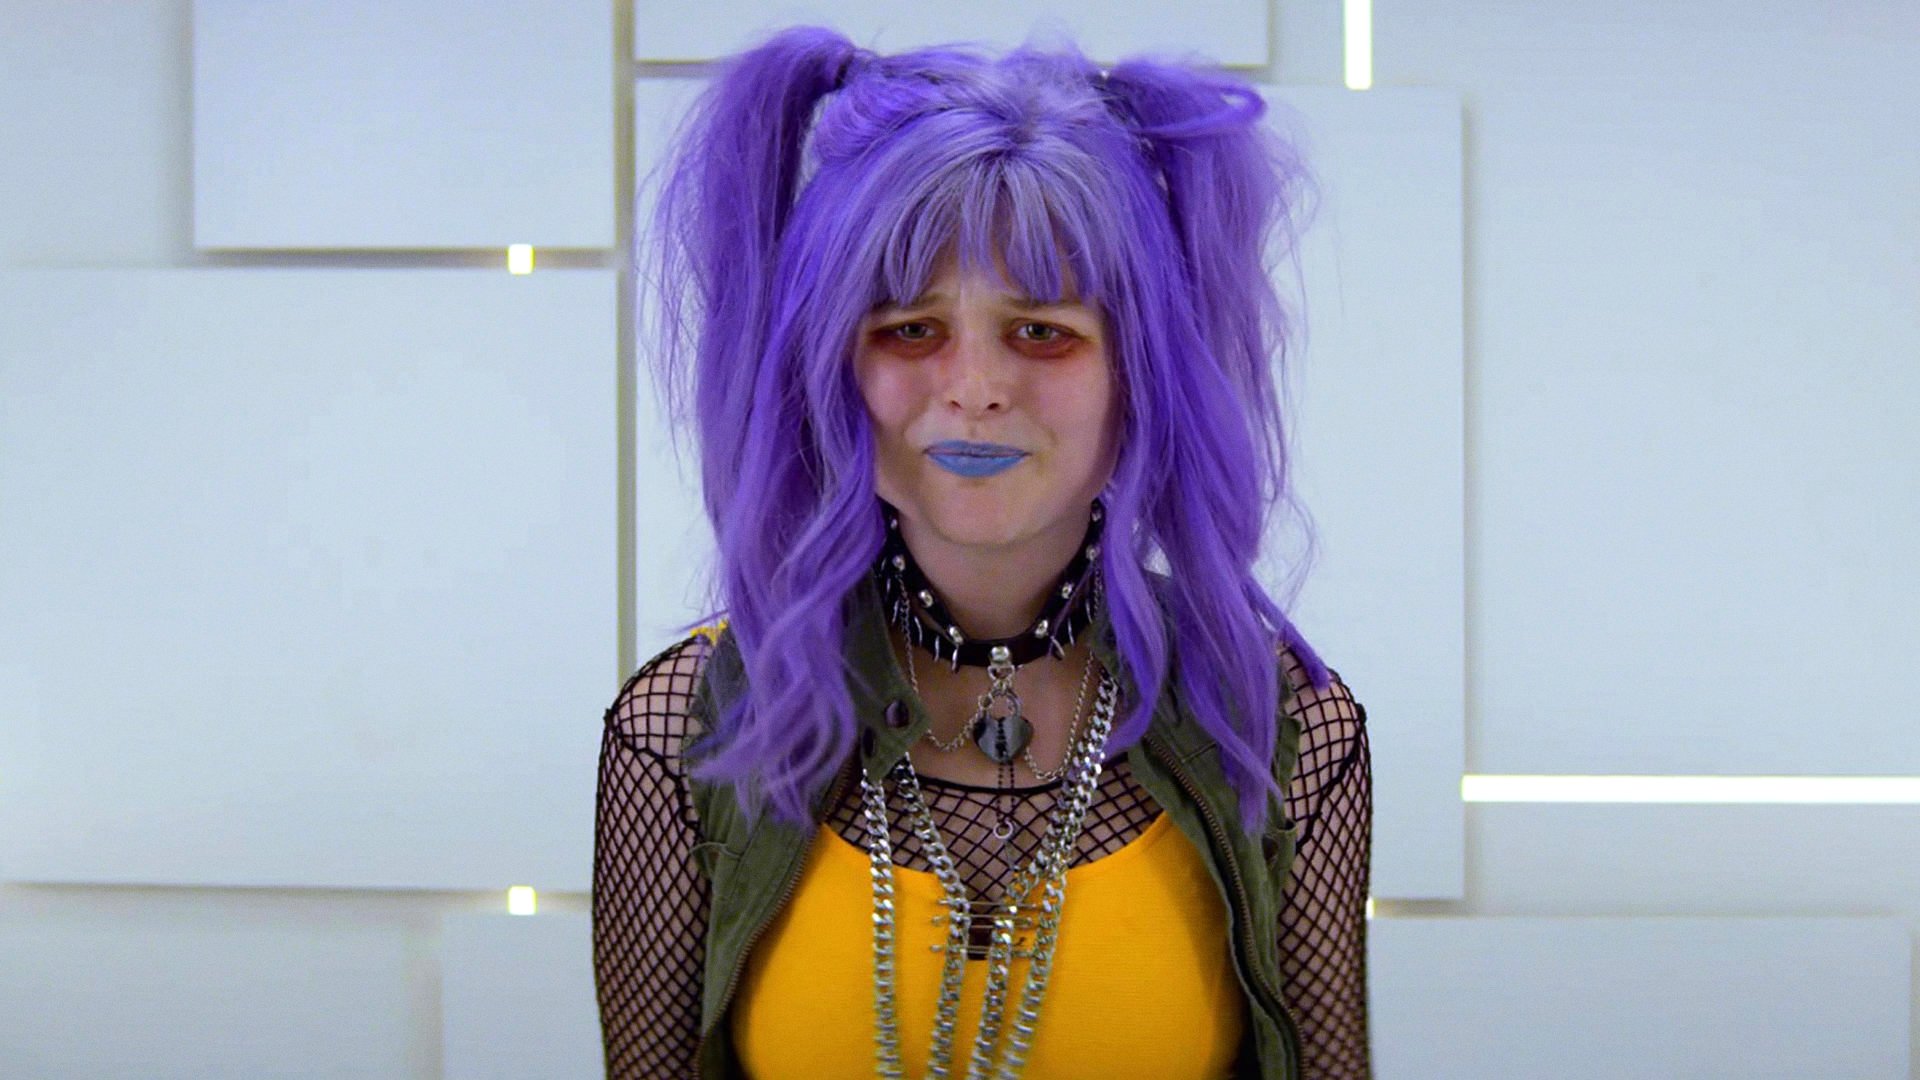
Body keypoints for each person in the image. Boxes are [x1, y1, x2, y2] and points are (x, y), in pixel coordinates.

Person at [595, 23, 1373, 1080]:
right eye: (910, 329)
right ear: (823, 368)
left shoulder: (1282, 729)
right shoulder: (685, 728)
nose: (974, 389)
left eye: (1042, 331)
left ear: (1142, 375)